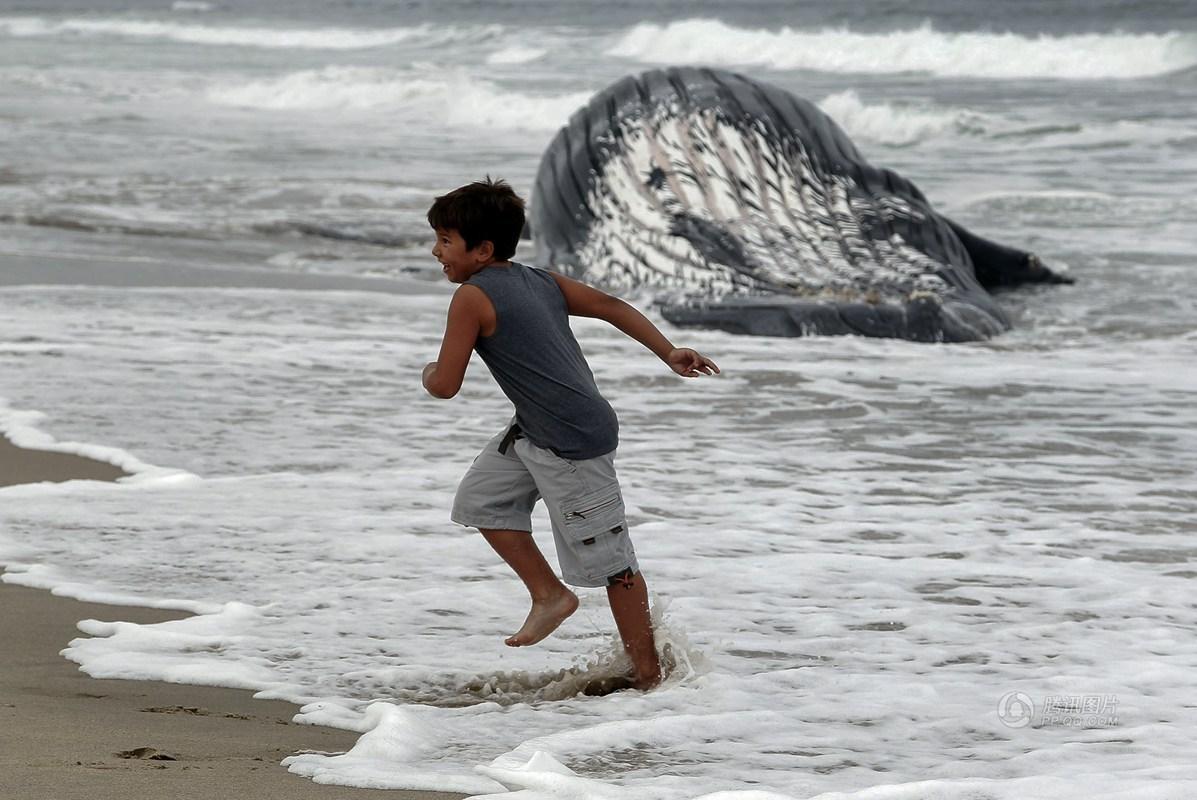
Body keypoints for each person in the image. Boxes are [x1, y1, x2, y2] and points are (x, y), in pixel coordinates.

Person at [421, 177, 719, 690]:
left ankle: (648, 678)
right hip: (535, 430)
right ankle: (549, 595)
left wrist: (428, 370)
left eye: (446, 241)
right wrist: (667, 350)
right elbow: (612, 305)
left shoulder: (471, 298)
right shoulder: (541, 280)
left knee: (614, 564)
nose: (436, 251)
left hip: (572, 440)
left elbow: (445, 385)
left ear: (483, 249)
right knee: (482, 502)